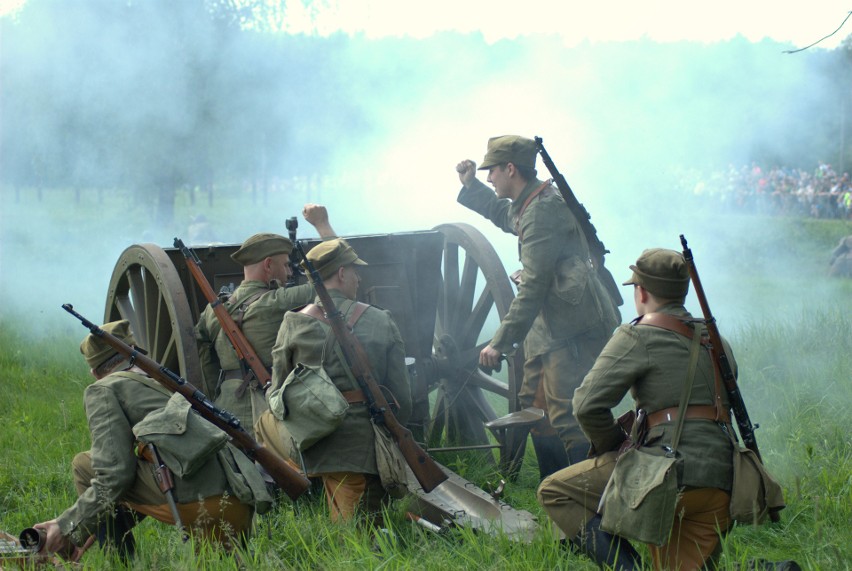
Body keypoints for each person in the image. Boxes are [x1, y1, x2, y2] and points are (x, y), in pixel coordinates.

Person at [536, 249, 800, 571]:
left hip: (665, 477)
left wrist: (614, 447)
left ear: (642, 291)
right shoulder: (718, 342)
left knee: (555, 491)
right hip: (722, 482)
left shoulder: (636, 335)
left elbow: (585, 405)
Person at [32, 320, 271, 562]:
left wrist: (67, 526)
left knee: (85, 465)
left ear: (94, 372)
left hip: (201, 503)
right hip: (240, 505)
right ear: (135, 351)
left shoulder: (102, 389)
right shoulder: (160, 382)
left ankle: (118, 561)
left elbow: (115, 475)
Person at [456, 135, 621, 477]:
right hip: (552, 326)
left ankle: (586, 505)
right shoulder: (532, 202)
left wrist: (499, 343)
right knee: (536, 408)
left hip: (571, 328)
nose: (490, 178)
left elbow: (533, 287)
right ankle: (555, 492)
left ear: (510, 169)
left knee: (567, 416)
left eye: (491, 172)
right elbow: (507, 215)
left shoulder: (542, 211)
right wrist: (470, 186)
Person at [255, 238, 412, 526]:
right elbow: (403, 398)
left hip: (308, 442)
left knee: (264, 421)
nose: (359, 278)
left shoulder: (292, 322)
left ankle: (299, 473)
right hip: (360, 453)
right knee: (356, 540)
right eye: (355, 271)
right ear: (341, 274)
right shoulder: (381, 320)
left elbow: (276, 395)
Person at [195, 204, 337, 431]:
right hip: (268, 414)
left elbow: (204, 356)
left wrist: (217, 394)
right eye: (286, 265)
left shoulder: (213, 311)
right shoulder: (276, 302)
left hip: (225, 410)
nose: (290, 273)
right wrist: (323, 224)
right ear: (268, 265)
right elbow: (333, 283)